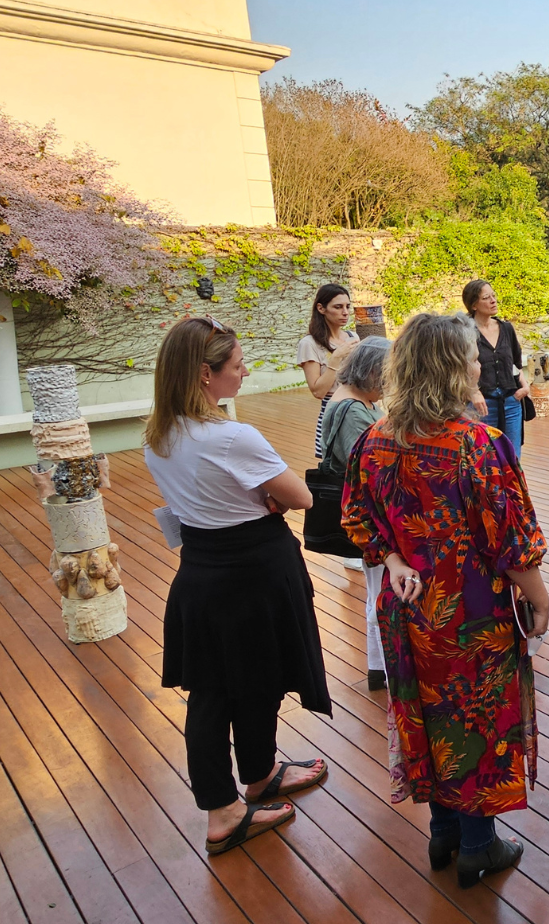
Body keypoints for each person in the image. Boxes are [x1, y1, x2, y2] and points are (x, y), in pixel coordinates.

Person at [341, 312, 549, 889]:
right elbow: (512, 545)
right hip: (470, 612)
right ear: (453, 368)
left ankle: (443, 832)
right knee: (475, 716)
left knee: (426, 711)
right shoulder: (480, 446)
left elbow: (356, 517)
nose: (481, 362)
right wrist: (540, 600)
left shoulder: (376, 440)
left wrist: (392, 560)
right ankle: (478, 845)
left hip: (408, 609)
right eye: (472, 356)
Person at [143, 316, 331, 856]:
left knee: (229, 683)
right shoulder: (231, 436)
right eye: (237, 366)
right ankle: (223, 812)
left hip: (202, 570)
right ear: (206, 374)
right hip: (253, 570)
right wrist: (270, 497)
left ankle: (259, 773)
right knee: (226, 688)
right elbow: (303, 497)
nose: (245, 372)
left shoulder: (161, 436)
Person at [318, 336, 391, 691]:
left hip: (369, 516)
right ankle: (384, 666)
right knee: (380, 590)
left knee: (376, 589)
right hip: (372, 518)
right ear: (373, 372)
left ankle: (381, 665)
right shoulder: (353, 409)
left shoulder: (351, 400)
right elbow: (367, 469)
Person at [296, 283, 362, 569]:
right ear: (321, 308)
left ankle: (362, 541)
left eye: (347, 306)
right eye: (338, 306)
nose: (345, 312)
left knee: (363, 478)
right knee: (340, 483)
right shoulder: (310, 343)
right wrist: (335, 360)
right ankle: (345, 545)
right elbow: (318, 390)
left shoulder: (353, 336)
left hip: (359, 410)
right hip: (333, 413)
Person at [463, 279, 531, 453]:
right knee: (484, 458)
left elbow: (516, 363)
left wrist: (524, 386)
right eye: (486, 297)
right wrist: (473, 392)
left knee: (513, 457)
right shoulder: (464, 333)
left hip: (512, 402)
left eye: (493, 296)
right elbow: (458, 368)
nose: (493, 300)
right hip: (481, 406)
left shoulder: (506, 328)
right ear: (474, 305)